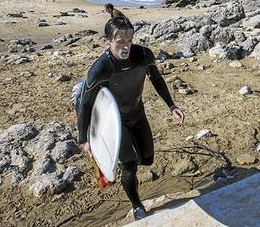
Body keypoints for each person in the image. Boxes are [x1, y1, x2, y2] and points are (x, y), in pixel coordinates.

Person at [75, 16, 185, 221]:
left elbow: (157, 80)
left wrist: (171, 106)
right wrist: (83, 139)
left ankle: (127, 163)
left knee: (148, 159)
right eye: (120, 42)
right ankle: (137, 206)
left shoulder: (143, 54)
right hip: (114, 122)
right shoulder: (101, 68)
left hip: (137, 113)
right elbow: (86, 104)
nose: (126, 47)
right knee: (130, 166)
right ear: (108, 42)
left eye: (129, 41)